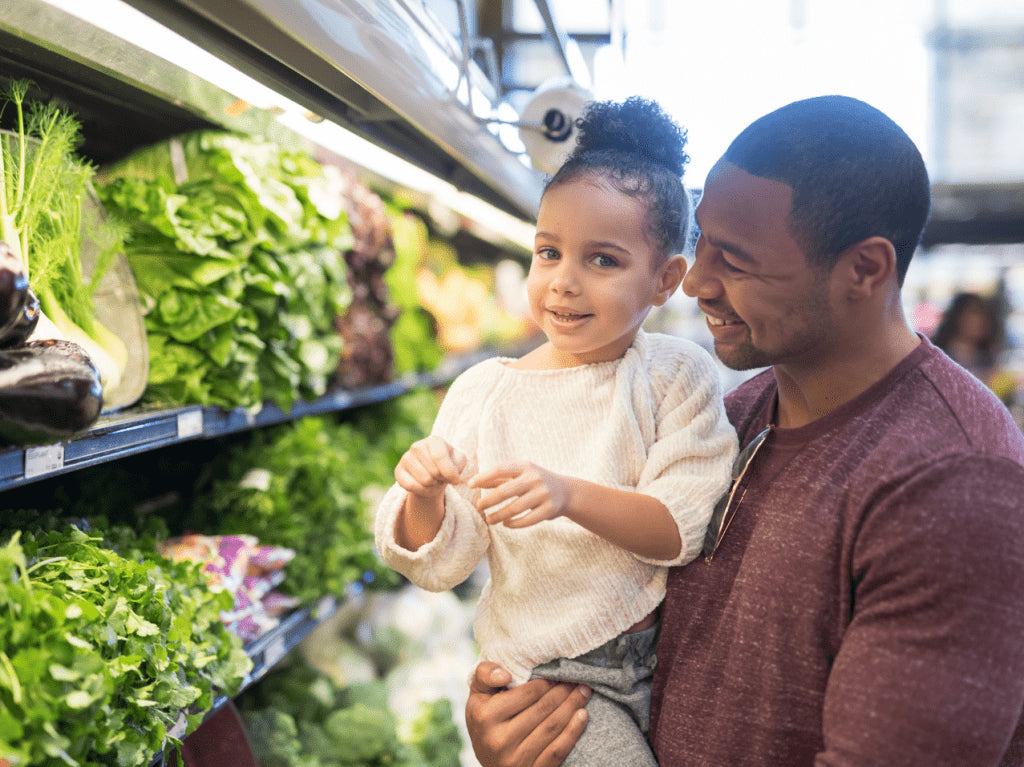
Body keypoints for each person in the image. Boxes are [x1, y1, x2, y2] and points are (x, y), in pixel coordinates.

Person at [464, 94, 1024, 766]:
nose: (695, 280)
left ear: (865, 270)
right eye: (702, 242)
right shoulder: (734, 413)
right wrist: (525, 727)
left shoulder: (954, 482)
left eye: (737, 259)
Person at [373, 96, 737, 766]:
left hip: (660, 659)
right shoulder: (486, 393)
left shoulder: (675, 375)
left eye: (602, 260)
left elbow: (682, 529)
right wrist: (423, 496)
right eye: (548, 252)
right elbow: (445, 559)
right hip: (552, 678)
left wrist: (569, 494)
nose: (564, 283)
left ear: (665, 279)